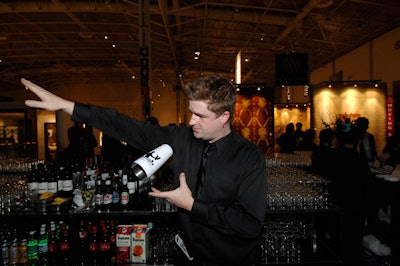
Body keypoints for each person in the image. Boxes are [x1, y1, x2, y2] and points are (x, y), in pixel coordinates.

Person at [22, 76, 267, 266]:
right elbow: (126, 126)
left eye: (200, 115)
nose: (192, 121)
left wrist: (193, 206)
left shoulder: (250, 158)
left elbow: (250, 226)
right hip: (185, 256)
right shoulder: (180, 139)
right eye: (192, 113)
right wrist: (68, 106)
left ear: (224, 117)